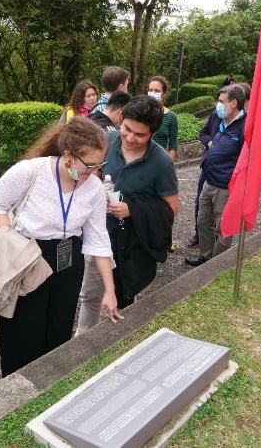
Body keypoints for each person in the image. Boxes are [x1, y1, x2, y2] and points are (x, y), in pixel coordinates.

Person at [0, 118, 122, 376]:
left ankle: (51, 385)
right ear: (68, 156)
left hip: (68, 260)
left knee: (59, 330)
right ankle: (19, 390)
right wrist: (11, 241)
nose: (94, 172)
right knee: (23, 333)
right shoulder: (30, 171)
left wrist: (109, 291)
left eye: (99, 165)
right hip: (28, 256)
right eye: (89, 165)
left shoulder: (94, 188)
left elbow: (99, 240)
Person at [75, 96, 179, 335]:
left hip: (132, 244)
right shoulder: (107, 141)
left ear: (153, 133)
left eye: (140, 135)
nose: (131, 139)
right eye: (127, 130)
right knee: (90, 294)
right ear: (120, 119)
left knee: (124, 295)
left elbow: (172, 207)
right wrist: (95, 188)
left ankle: (117, 340)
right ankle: (82, 341)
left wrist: (133, 209)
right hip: (99, 235)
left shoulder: (161, 163)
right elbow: (92, 175)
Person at [185, 84, 247, 266]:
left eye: (221, 101)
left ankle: (216, 266)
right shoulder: (221, 119)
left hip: (225, 187)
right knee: (203, 221)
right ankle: (206, 257)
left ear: (234, 103)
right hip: (208, 181)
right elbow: (205, 134)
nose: (217, 105)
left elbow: (247, 158)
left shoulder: (244, 126)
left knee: (223, 228)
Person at [147, 76, 179, 161]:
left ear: (164, 93)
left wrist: (168, 166)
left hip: (159, 161)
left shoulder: (171, 116)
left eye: (157, 91)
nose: (153, 93)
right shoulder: (141, 112)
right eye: (150, 90)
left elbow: (173, 146)